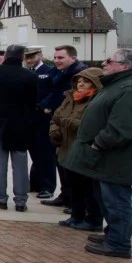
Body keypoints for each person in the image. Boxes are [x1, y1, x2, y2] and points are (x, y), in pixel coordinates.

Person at [65, 50, 132, 259]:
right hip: (106, 159)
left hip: (116, 160)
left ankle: (119, 243)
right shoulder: (116, 85)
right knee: (107, 200)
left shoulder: (129, 89)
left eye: (110, 61)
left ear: (125, 66)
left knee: (117, 201)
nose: (104, 63)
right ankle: (112, 235)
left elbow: (124, 129)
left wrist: (98, 143)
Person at [0, 44, 38, 211]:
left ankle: (0, 197)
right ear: (22, 57)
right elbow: (32, 101)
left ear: (5, 55)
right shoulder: (30, 76)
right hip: (20, 124)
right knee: (20, 163)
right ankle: (21, 200)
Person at [50, 67, 104, 230]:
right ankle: (76, 215)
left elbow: (93, 126)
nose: (81, 84)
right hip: (65, 150)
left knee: (88, 189)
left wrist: (68, 123)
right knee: (73, 186)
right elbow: (56, 117)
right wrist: (54, 130)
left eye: (86, 81)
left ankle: (92, 219)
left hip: (83, 152)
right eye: (79, 80)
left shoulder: (96, 101)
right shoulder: (69, 98)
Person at [40, 45, 88, 208]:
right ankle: (65, 194)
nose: (56, 61)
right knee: (60, 160)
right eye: (55, 58)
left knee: (71, 165)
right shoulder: (56, 73)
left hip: (71, 123)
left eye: (61, 58)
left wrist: (48, 105)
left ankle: (75, 201)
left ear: (73, 58)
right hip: (57, 121)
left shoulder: (80, 75)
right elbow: (50, 92)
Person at [24, 46, 57, 199]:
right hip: (30, 118)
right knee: (35, 152)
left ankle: (48, 186)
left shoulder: (49, 71)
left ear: (41, 56)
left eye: (32, 56)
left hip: (43, 117)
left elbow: (54, 92)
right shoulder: (28, 72)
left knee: (46, 154)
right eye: (27, 57)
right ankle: (36, 183)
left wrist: (44, 105)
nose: (29, 59)